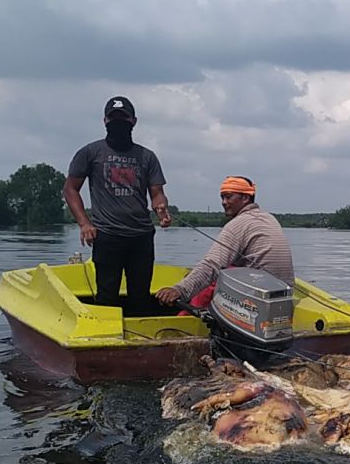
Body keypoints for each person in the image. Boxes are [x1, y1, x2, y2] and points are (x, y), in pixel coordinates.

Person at [63, 95, 172, 314]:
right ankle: (106, 343)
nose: (118, 123)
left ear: (133, 121)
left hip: (141, 236)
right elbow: (70, 189)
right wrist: (84, 223)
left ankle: (141, 341)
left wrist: (161, 209)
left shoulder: (147, 156)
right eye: (113, 118)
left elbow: (157, 193)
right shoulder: (90, 153)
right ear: (105, 121)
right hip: (107, 236)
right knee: (107, 295)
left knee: (140, 295)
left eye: (123, 118)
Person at [154, 176, 294, 309]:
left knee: (212, 282)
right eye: (222, 197)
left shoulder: (239, 224)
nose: (224, 202)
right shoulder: (269, 218)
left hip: (257, 299)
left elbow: (212, 265)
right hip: (284, 295)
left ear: (245, 198)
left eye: (228, 197)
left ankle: (183, 319)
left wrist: (179, 290)